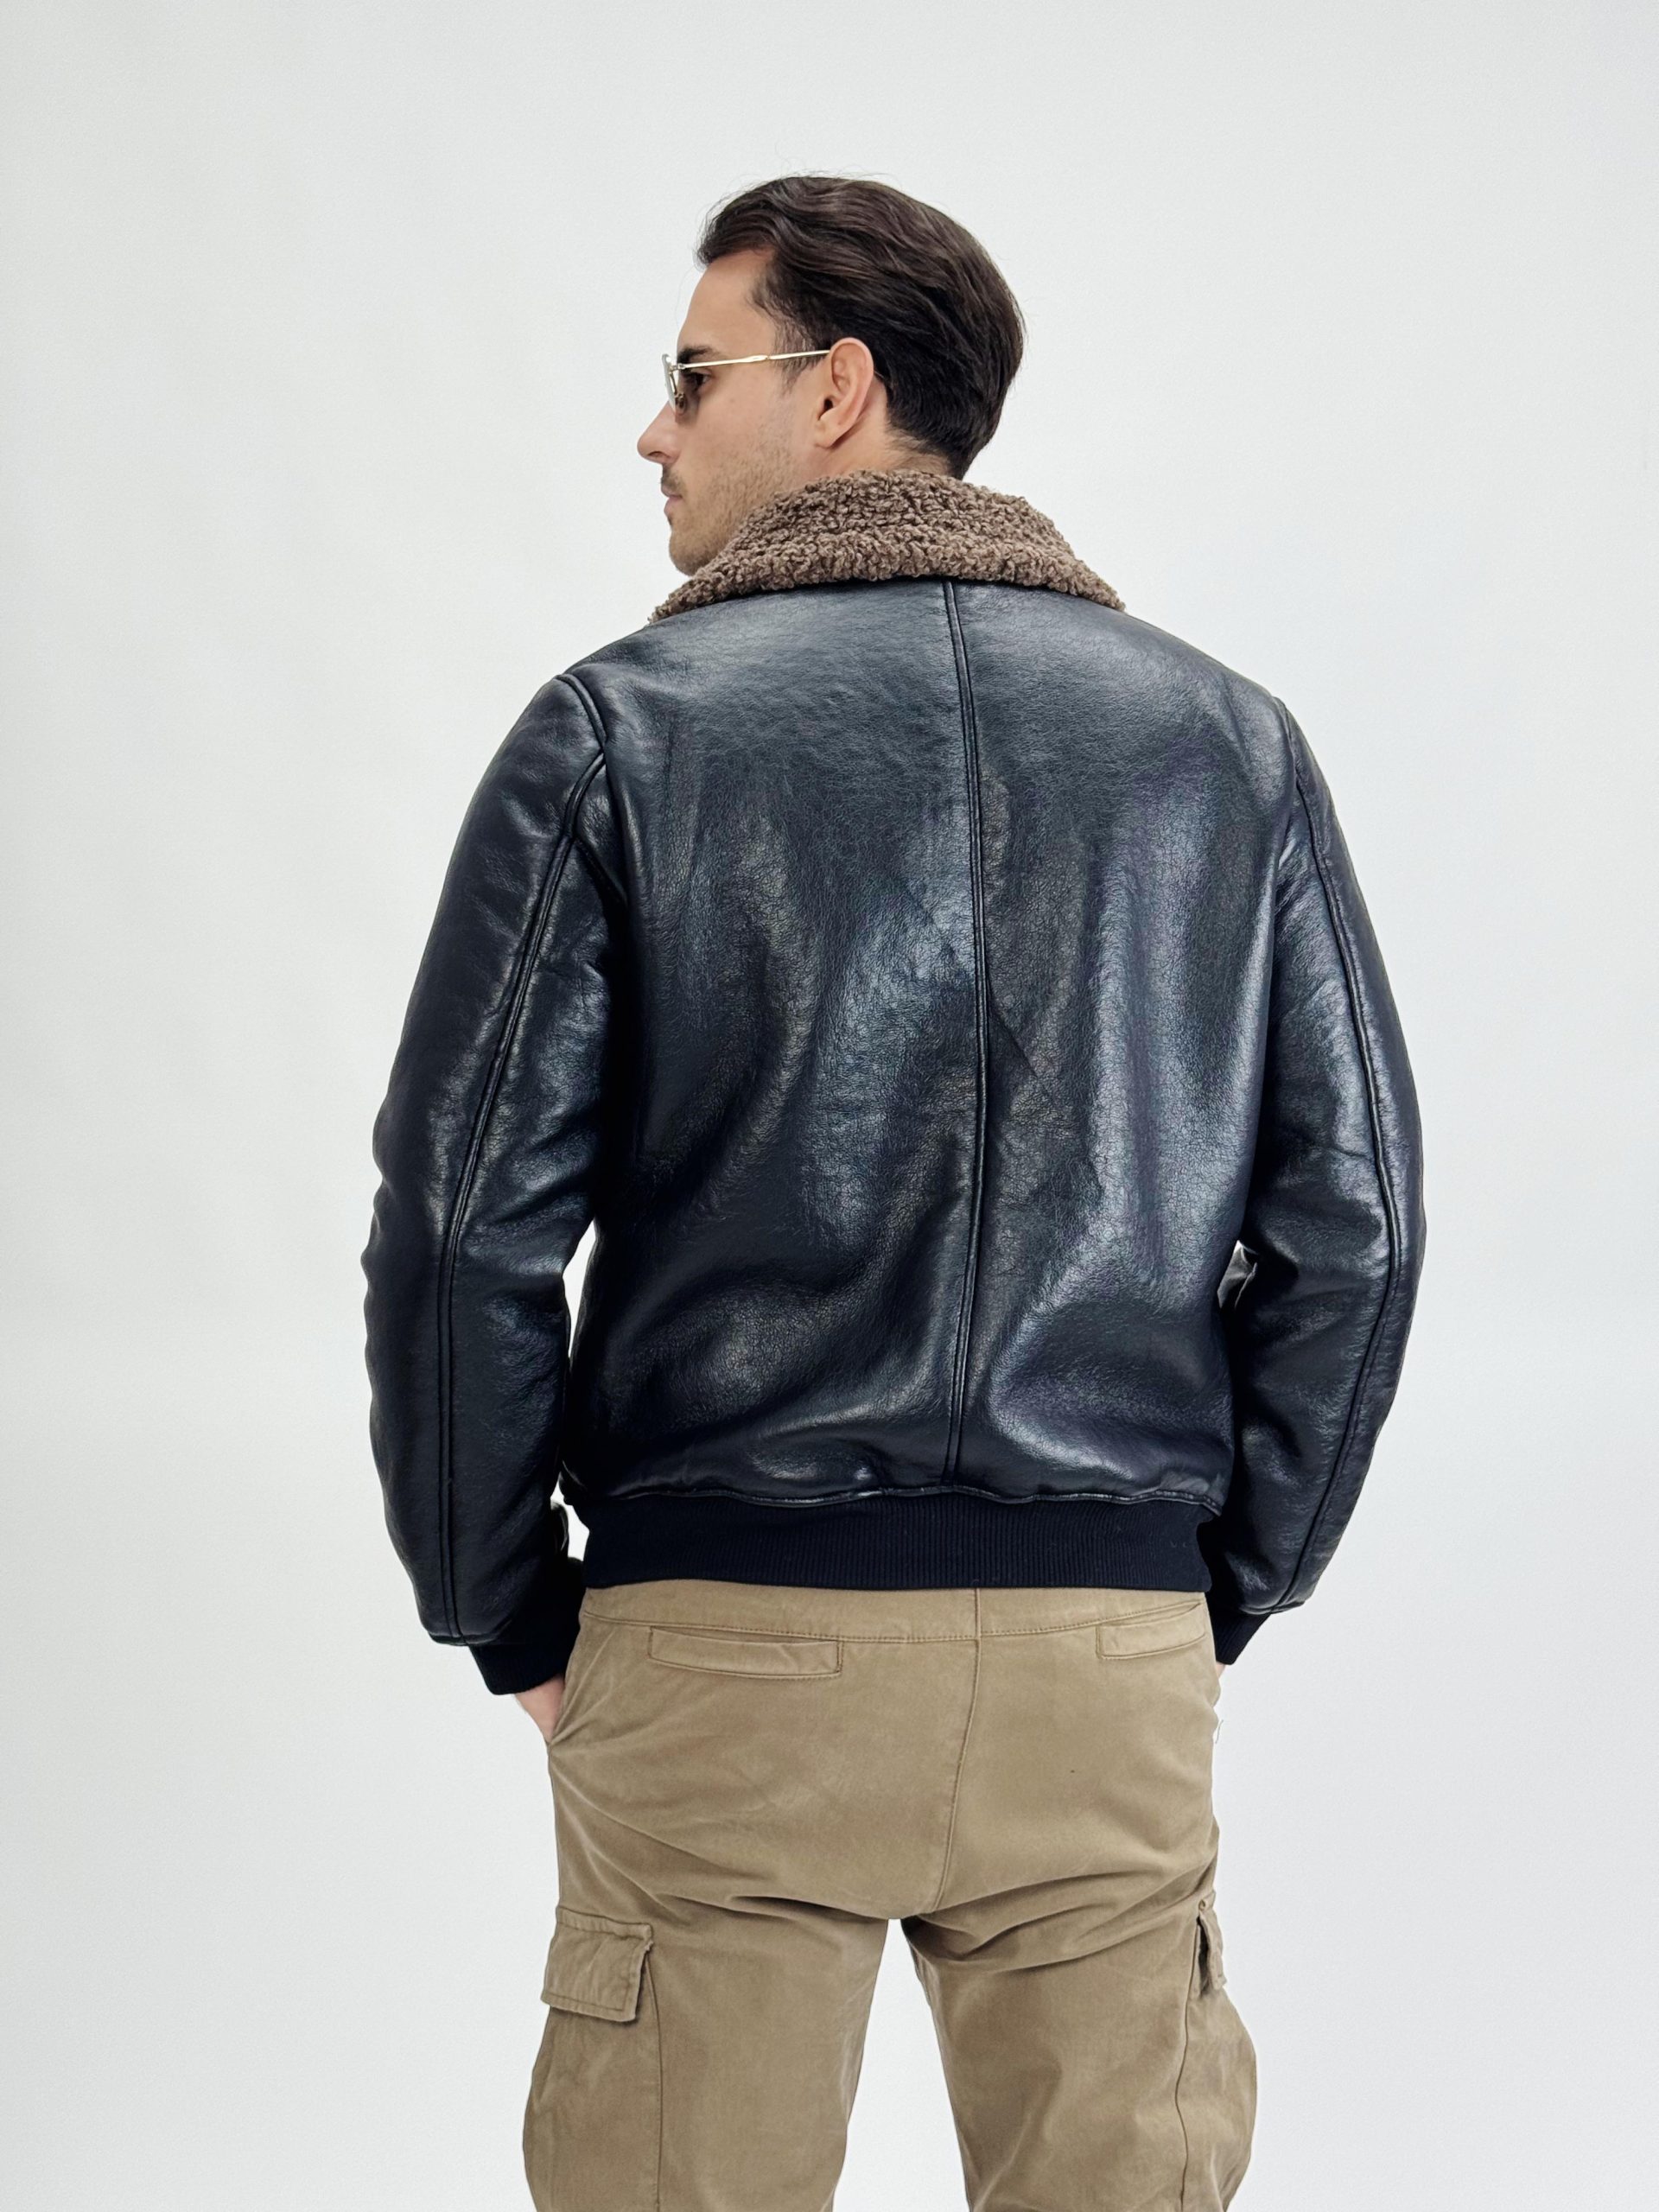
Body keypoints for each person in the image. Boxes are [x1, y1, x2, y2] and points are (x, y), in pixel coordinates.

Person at [361, 172, 1426, 2212]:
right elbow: (1356, 1224)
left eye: (693, 375)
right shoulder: (1225, 744)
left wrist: (503, 1603)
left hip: (725, 1643)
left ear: (837, 388)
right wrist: (1209, 1579)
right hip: (1103, 1656)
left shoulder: (618, 733)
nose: (653, 429)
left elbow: (462, 1220)